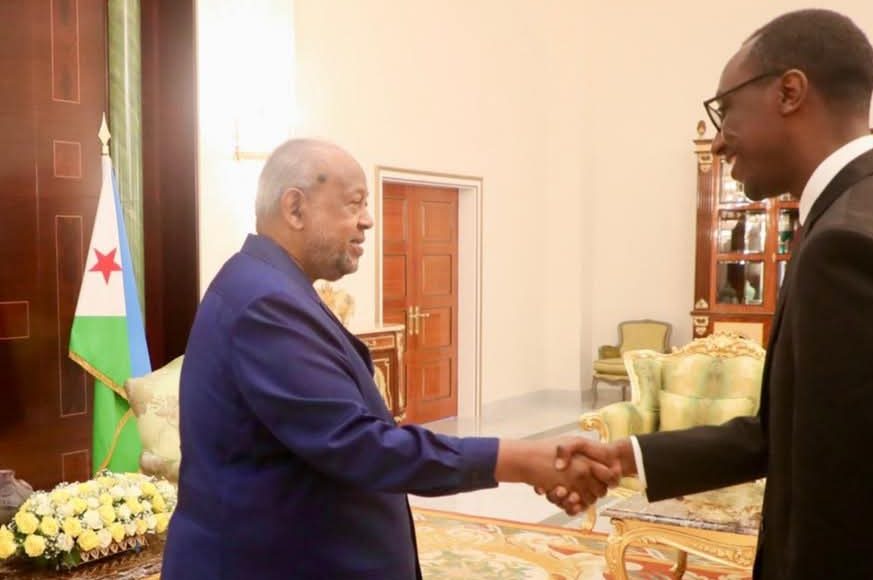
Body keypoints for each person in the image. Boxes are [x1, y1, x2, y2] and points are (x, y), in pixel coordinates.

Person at [548, 9, 873, 579]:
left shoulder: (850, 246)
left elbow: (845, 514)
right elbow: (788, 435)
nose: (719, 141)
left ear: (789, 92)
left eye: (725, 110)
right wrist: (628, 456)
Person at [161, 139, 618, 579]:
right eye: (354, 204)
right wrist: (517, 459)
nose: (368, 220)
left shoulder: (271, 287)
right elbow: (357, 445)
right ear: (295, 208)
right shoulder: (265, 303)